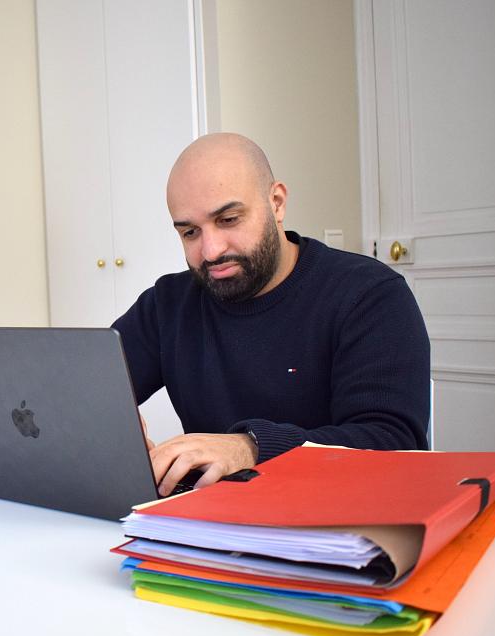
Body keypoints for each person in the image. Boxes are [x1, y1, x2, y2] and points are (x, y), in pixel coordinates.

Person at [112, 133, 430, 496]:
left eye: (229, 219)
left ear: (276, 203)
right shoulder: (167, 304)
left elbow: (393, 443)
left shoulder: (369, 295)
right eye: (190, 232)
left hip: (335, 524)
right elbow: (86, 387)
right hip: (207, 524)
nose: (212, 250)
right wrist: (104, 416)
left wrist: (250, 447)